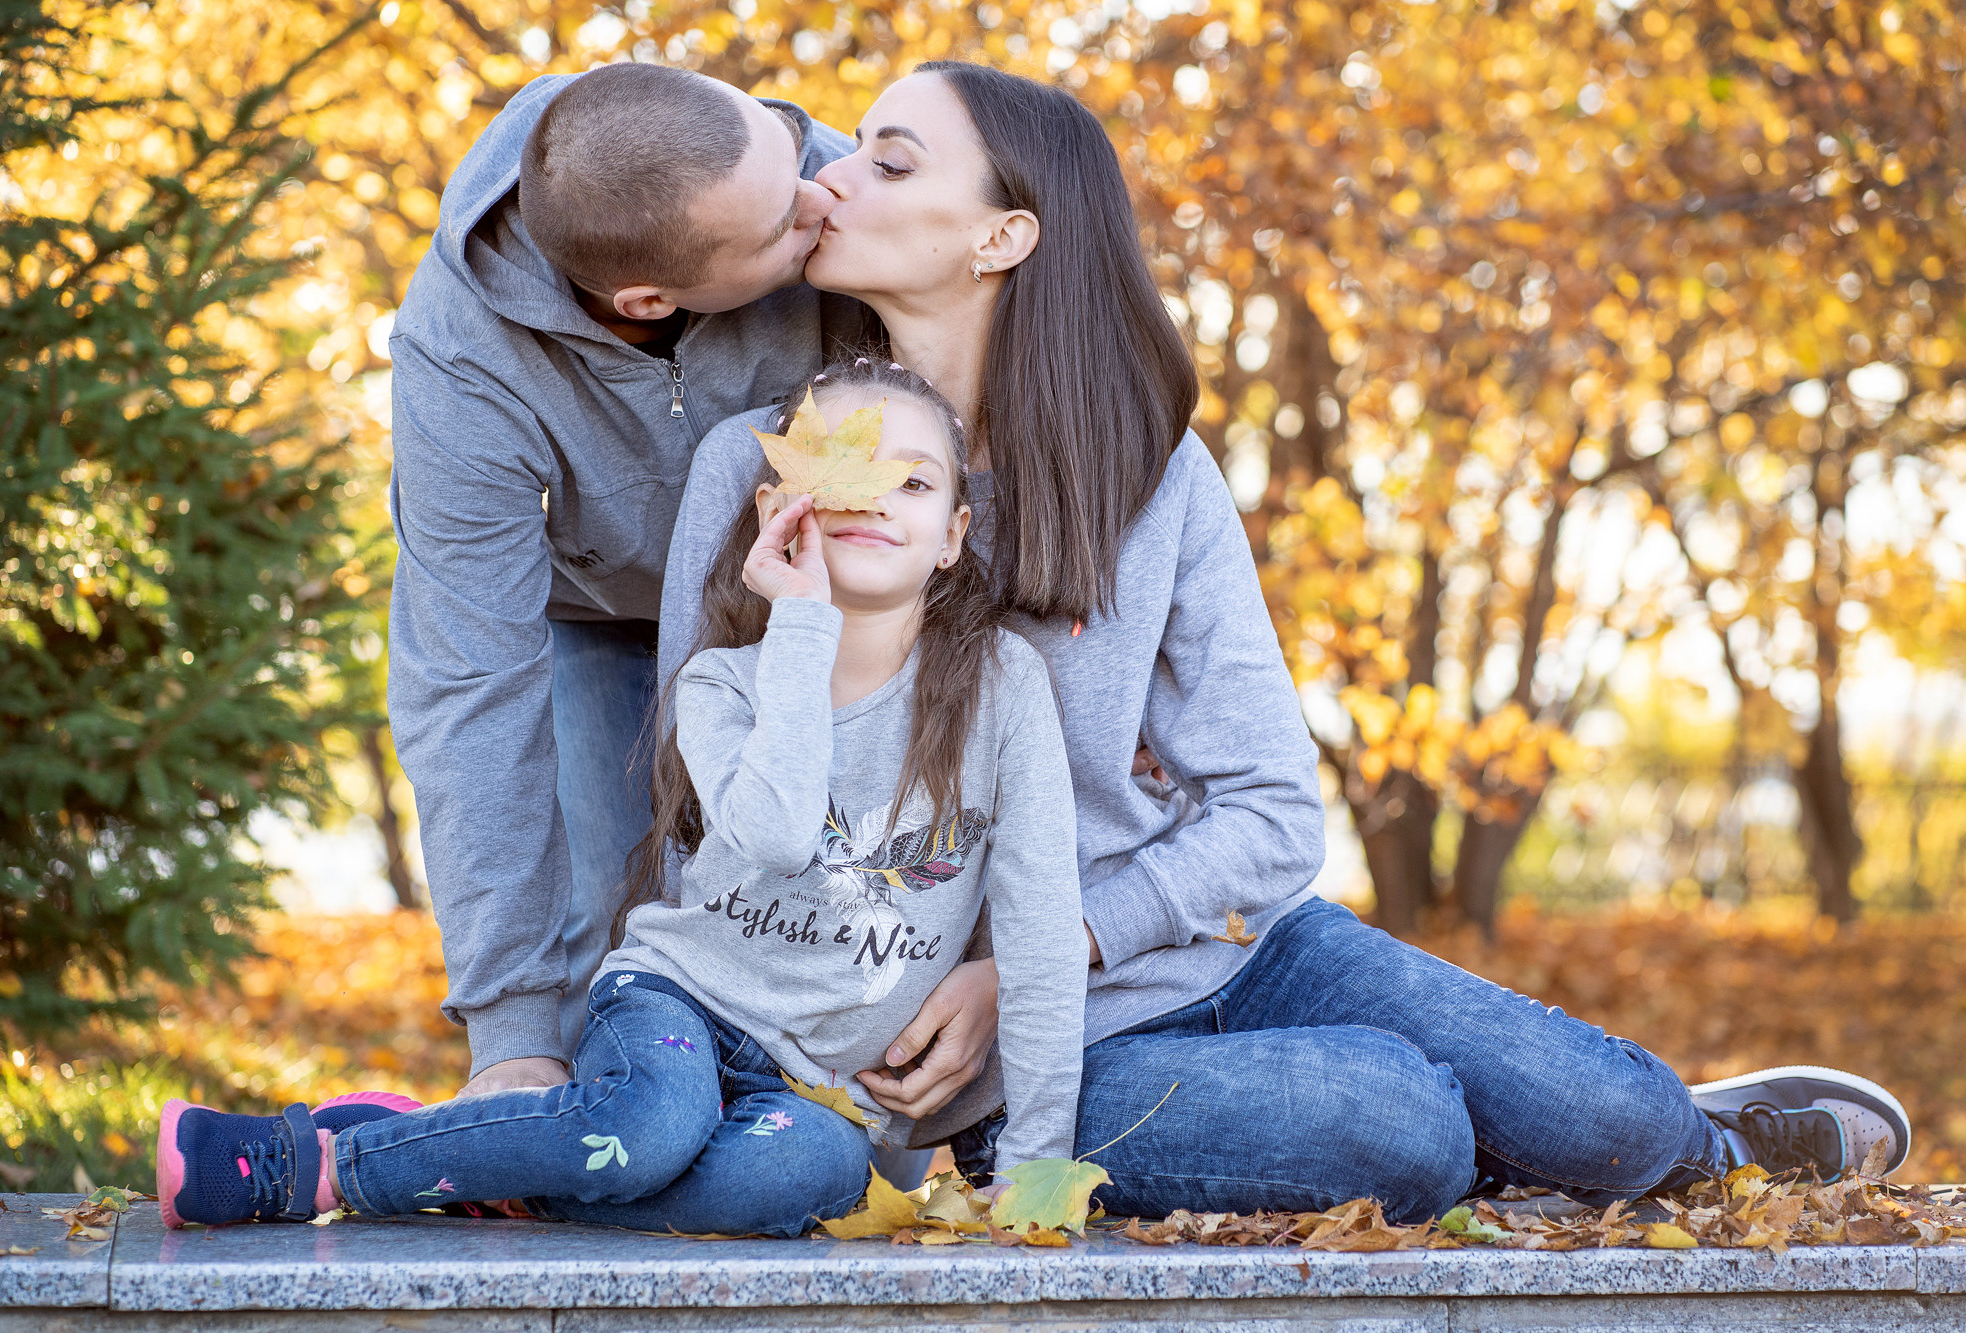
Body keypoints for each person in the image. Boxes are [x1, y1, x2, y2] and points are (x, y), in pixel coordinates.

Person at [659, 62, 1914, 1220]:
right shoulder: (757, 470)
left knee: (1611, 1111)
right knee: (1400, 1122)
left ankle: (1690, 1145)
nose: (830, 181)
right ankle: (1463, 1134)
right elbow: (697, 815)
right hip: (1037, 1059)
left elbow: (1268, 810)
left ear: (1003, 237)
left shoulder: (1149, 476)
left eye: (888, 162)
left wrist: (1053, 949)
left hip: (1218, 953)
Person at [156, 362, 1088, 1235]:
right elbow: (779, 833)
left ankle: (496, 1158)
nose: (874, 496)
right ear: (777, 508)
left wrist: (1035, 1164)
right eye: (842, 472)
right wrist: (804, 620)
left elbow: (1040, 932)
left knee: (813, 1177)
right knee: (646, 1127)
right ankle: (317, 1161)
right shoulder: (724, 684)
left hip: (816, 1093)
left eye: (913, 481)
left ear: (955, 535)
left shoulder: (1005, 689)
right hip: (681, 1002)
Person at [386, 61, 870, 1105]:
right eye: (781, 224)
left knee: (844, 891)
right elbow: (469, 682)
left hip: (820, 599)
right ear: (646, 300)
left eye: (793, 154)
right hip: (600, 617)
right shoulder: (460, 364)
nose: (822, 201)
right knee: (619, 920)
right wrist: (511, 1032)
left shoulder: (817, 173)